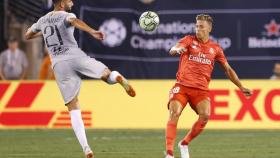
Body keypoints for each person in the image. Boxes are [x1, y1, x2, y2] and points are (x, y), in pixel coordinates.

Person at [25, 0, 136, 157]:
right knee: (106, 74)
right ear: (62, 4)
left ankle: (86, 148)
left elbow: (27, 35)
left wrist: (43, 31)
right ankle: (116, 76)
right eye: (69, 0)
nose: (72, 2)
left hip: (58, 64)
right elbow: (74, 21)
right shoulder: (66, 14)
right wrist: (92, 31)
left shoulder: (42, 20)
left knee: (73, 106)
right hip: (75, 56)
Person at [165, 14, 252, 158]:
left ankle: (184, 143)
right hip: (182, 86)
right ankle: (169, 153)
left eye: (201, 27)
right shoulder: (188, 40)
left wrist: (241, 87)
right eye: (196, 26)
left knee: (205, 115)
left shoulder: (215, 49)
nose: (198, 29)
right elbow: (175, 48)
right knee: (174, 112)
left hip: (201, 90)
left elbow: (228, 69)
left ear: (209, 28)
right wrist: (176, 50)